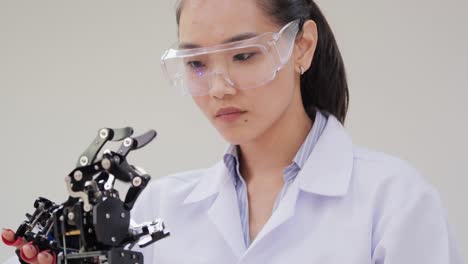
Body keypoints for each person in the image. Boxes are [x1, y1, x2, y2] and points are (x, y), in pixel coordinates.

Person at [2, 0, 464, 263]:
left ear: (301, 47)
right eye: (197, 64)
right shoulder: (158, 207)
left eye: (244, 55)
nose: (219, 88)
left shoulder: (394, 199)